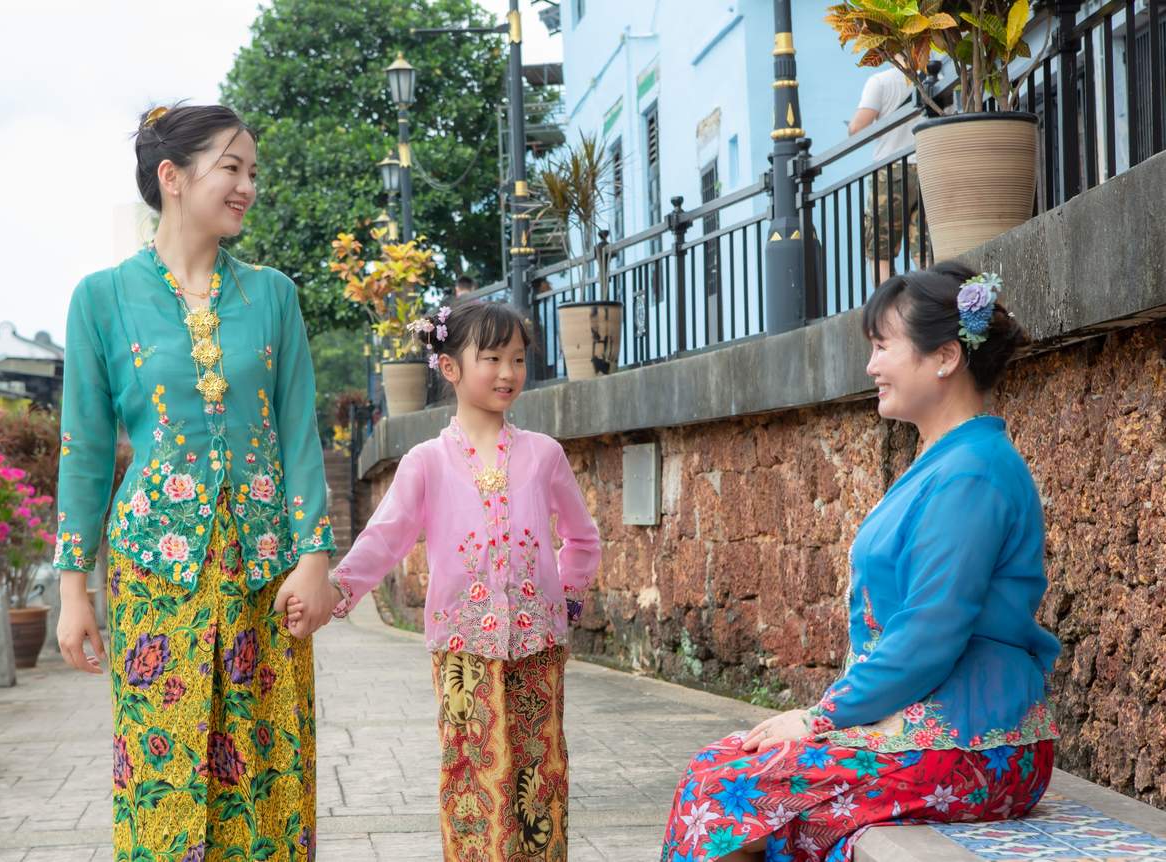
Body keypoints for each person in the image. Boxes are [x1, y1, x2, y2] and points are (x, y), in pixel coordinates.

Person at [660, 263, 1060, 862]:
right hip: (939, 731)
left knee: (721, 788)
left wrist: (821, 717)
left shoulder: (972, 473)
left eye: (882, 347)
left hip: (978, 746)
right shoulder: (951, 460)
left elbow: (930, 632)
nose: (871, 366)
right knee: (731, 776)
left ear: (945, 357)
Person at [53, 104, 335, 861]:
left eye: (251, 172)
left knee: (270, 774)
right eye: (230, 168)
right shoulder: (101, 299)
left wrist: (315, 557)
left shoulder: (272, 295)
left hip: (266, 570)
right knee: (163, 774)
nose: (246, 186)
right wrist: (73, 588)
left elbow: (297, 432)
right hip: (155, 571)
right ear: (172, 178)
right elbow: (82, 450)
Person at [287, 301, 601, 861]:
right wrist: (335, 591)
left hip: (538, 648)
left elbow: (582, 539)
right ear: (450, 367)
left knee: (539, 781)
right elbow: (385, 537)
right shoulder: (426, 462)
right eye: (492, 358)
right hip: (461, 652)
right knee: (470, 777)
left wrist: (566, 603)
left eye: (519, 359)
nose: (508, 373)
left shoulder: (544, 456)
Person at [851, 62, 923, 284]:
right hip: (926, 164)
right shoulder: (935, 75)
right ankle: (930, 302)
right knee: (923, 247)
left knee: (881, 249)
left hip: (891, 171)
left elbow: (856, 128)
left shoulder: (881, 81)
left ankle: (886, 304)